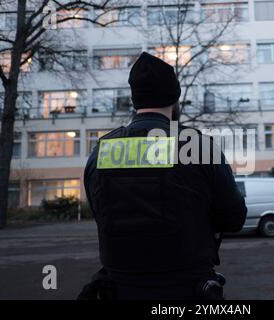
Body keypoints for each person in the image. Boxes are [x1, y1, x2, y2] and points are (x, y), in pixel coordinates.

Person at [81, 52, 247, 300]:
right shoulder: (198, 148)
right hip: (187, 288)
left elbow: (99, 212)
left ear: (135, 101)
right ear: (175, 100)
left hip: (118, 289)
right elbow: (234, 218)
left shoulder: (102, 151)